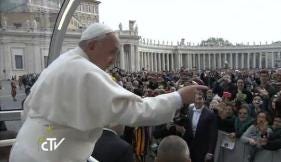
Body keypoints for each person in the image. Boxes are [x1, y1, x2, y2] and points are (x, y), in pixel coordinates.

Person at [9, 23, 207, 162]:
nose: (114, 59)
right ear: (93, 45)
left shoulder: (61, 64)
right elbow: (136, 110)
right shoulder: (85, 71)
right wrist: (178, 97)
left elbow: (27, 110)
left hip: (30, 147)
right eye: (112, 51)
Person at [183, 91, 217, 162]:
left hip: (203, 149)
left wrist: (210, 152)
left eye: (200, 98)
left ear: (204, 100)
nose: (198, 101)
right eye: (196, 99)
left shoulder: (210, 114)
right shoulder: (189, 110)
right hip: (190, 147)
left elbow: (213, 134)